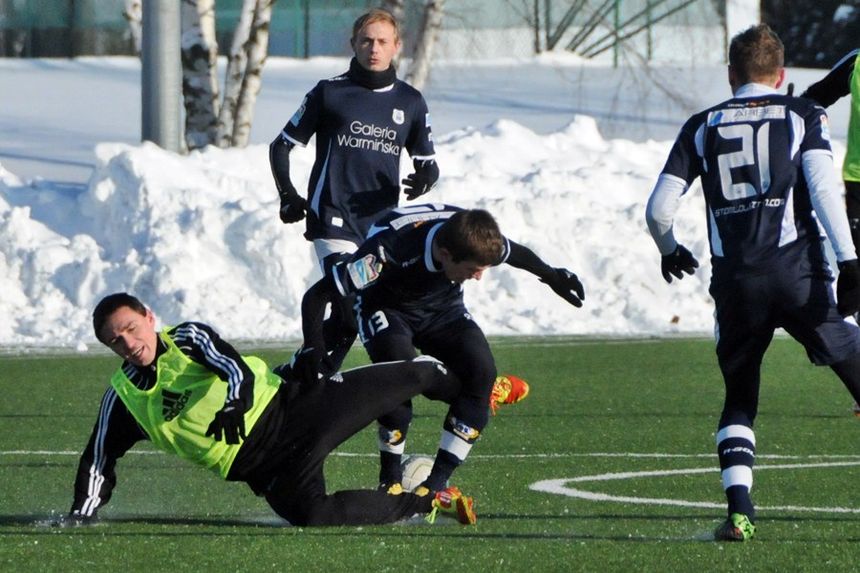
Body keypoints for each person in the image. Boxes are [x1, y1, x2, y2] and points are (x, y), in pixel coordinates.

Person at [645, 24, 860, 542]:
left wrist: (669, 248)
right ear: (781, 74)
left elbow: (658, 210)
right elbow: (826, 192)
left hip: (737, 282)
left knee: (740, 397)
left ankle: (739, 511)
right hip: (799, 276)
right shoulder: (802, 114)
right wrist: (850, 260)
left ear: (730, 74)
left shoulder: (702, 124)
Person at [65, 293, 477, 527]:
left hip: (292, 409)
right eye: (115, 341)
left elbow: (234, 368)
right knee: (312, 515)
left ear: (149, 317)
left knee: (417, 377)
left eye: (131, 328)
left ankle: (476, 393)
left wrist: (234, 404)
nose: (129, 343)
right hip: (266, 469)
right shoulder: (123, 399)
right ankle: (426, 500)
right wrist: (81, 516)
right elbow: (98, 458)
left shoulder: (186, 339)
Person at [305, 203, 584, 495]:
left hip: (442, 309)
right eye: (473, 270)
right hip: (385, 306)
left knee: (482, 372)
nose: (479, 277)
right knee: (402, 379)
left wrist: (553, 276)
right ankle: (390, 482)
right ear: (445, 254)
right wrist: (315, 347)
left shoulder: (473, 237)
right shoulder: (389, 250)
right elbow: (319, 295)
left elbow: (515, 253)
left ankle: (434, 487)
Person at [269, 8, 439, 369]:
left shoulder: (410, 101)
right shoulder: (330, 93)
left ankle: (297, 375)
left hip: (380, 229)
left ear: (396, 46)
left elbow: (428, 163)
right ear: (353, 44)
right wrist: (288, 195)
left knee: (352, 317)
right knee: (348, 300)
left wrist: (425, 178)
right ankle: (313, 383)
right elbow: (281, 145)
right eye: (366, 40)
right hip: (332, 220)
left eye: (381, 41)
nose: (373, 48)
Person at [800, 49, 860, 414]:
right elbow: (818, 95)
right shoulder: (858, 61)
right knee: (855, 283)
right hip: (858, 184)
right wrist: (786, 111)